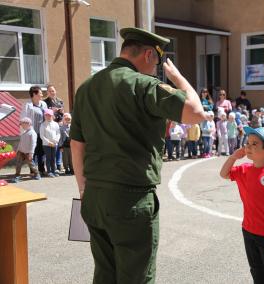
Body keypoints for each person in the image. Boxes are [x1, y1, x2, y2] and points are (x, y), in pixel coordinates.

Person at [70, 27, 206, 283]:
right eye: (157, 60)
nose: (156, 68)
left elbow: (77, 144)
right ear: (147, 55)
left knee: (105, 274)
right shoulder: (143, 85)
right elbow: (197, 113)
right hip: (130, 199)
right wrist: (177, 77)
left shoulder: (87, 87)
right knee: (136, 276)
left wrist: (84, 190)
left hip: (94, 197)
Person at [220, 126, 264, 284]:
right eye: (247, 142)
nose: (248, 146)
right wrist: (233, 157)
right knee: (256, 270)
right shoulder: (243, 169)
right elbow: (223, 174)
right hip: (248, 230)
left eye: (254, 144)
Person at [20, 86, 48, 175]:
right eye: (40, 93)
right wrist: (24, 131)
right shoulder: (27, 104)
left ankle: (42, 169)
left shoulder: (43, 104)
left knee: (41, 151)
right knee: (33, 151)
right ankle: (33, 170)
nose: (42, 95)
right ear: (34, 94)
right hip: (32, 132)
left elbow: (47, 116)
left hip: (42, 132)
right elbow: (23, 118)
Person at [12, 117, 41, 183]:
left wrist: (31, 153)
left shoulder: (32, 133)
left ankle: (37, 174)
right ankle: (17, 175)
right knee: (18, 163)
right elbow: (21, 142)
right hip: (21, 151)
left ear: (27, 124)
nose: (21, 126)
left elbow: (33, 144)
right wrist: (18, 150)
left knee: (31, 164)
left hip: (28, 152)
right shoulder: (24, 132)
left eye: (22, 124)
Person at [44, 84, 65, 172]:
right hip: (50, 125)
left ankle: (59, 164)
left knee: (59, 144)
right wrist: (52, 111)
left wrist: (61, 112)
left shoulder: (60, 101)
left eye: (53, 91)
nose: (52, 92)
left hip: (58, 124)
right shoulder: (45, 102)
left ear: (55, 91)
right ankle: (52, 166)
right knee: (51, 145)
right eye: (50, 91)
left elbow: (62, 113)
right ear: (47, 93)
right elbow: (45, 113)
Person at [40, 109, 60, 177]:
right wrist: (48, 142)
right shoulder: (43, 125)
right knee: (48, 158)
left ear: (52, 116)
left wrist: (56, 140)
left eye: (49, 115)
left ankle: (53, 171)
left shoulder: (56, 124)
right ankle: (49, 171)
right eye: (46, 115)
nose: (48, 116)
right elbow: (42, 135)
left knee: (53, 158)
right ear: (44, 116)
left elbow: (58, 133)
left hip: (54, 144)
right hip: (46, 144)